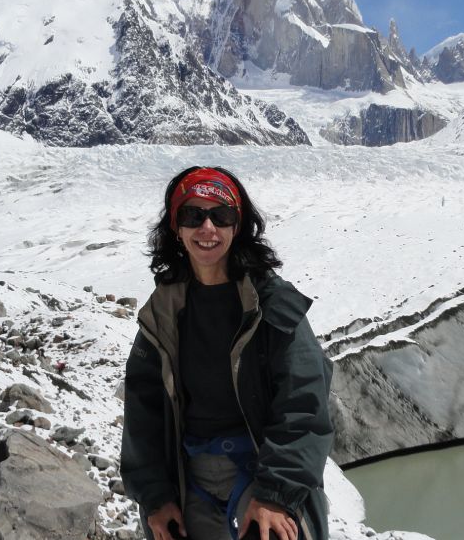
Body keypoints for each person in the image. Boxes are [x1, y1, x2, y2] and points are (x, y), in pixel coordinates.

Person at [121, 166, 333, 540]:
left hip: (261, 471)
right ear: (176, 226)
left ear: (238, 226)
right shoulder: (164, 311)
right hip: (189, 477)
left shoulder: (272, 304)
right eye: (192, 215)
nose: (207, 228)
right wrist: (155, 498)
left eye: (221, 215)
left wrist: (274, 496)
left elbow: (303, 402)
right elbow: (144, 412)